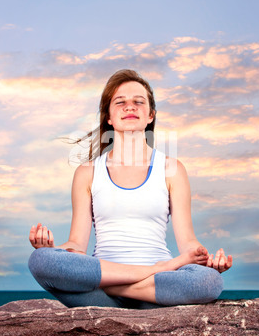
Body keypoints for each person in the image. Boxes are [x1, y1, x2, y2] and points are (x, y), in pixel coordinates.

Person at [28, 69, 232, 309]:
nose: (130, 107)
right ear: (109, 117)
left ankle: (137, 281)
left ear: (150, 115)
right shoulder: (87, 173)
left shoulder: (171, 168)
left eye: (138, 102)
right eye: (120, 102)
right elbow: (76, 245)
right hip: (104, 294)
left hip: (158, 287)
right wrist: (52, 251)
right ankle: (142, 275)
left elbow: (188, 245)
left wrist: (206, 260)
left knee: (209, 282)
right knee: (40, 260)